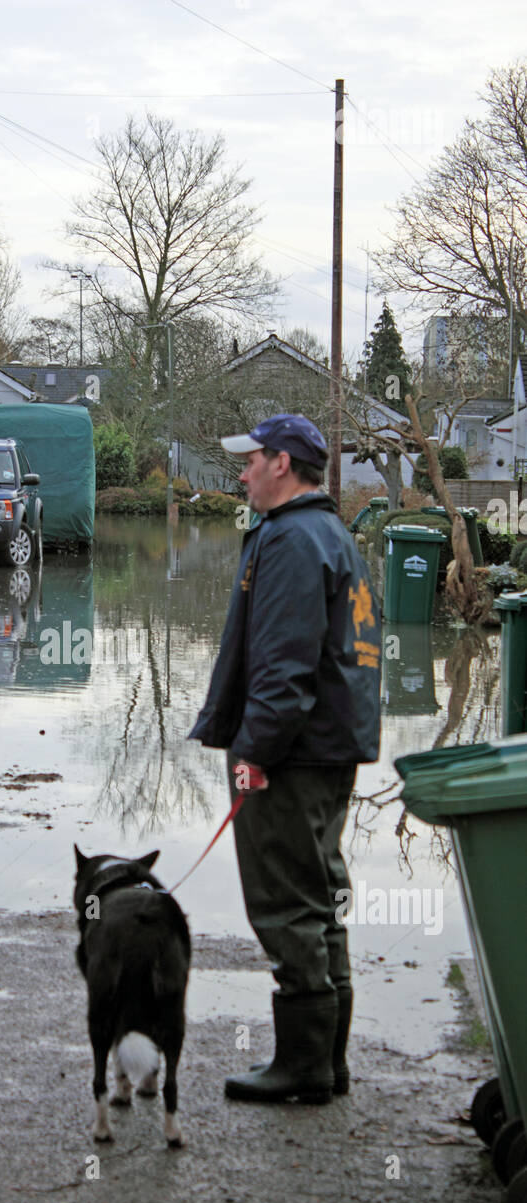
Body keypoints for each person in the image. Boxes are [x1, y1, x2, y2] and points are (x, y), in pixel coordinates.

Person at [189, 414, 381, 1104]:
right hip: (328, 750)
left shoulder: (294, 540)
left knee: (288, 907)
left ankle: (303, 1067)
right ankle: (326, 1063)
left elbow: (283, 665)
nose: (241, 473)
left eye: (251, 460)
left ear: (282, 464)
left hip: (291, 756)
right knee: (321, 896)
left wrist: (255, 751)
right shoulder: (330, 534)